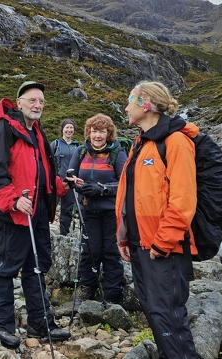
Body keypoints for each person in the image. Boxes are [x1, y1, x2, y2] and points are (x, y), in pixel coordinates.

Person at [0, 81, 71, 348]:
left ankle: (40, 323)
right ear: (19, 102)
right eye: (32, 100)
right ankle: (2, 325)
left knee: (37, 267)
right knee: (6, 268)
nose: (38, 105)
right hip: (15, 211)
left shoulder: (37, 131)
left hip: (38, 210)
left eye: (41, 101)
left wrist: (60, 185)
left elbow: (41, 170)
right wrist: (12, 200)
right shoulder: (6, 129)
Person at [115, 81, 199, 359]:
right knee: (155, 315)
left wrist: (162, 242)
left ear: (147, 104)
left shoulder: (175, 142)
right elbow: (132, 197)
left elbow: (183, 200)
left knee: (169, 319)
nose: (126, 107)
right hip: (141, 247)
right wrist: (124, 236)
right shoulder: (140, 144)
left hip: (164, 249)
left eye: (130, 100)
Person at [68, 114, 126, 305]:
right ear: (88, 133)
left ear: (108, 133)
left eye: (102, 132)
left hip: (111, 212)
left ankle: (112, 294)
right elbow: (70, 177)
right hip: (88, 210)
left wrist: (102, 189)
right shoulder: (80, 151)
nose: (97, 136)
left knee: (111, 251)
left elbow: (125, 183)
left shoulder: (117, 152)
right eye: (94, 132)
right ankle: (86, 288)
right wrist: (77, 185)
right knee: (89, 251)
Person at [50, 119, 80, 235]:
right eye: (67, 127)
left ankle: (64, 234)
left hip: (70, 183)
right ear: (62, 129)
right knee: (51, 207)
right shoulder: (56, 144)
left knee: (67, 210)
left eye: (71, 128)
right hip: (56, 182)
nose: (69, 130)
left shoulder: (77, 146)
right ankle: (45, 232)